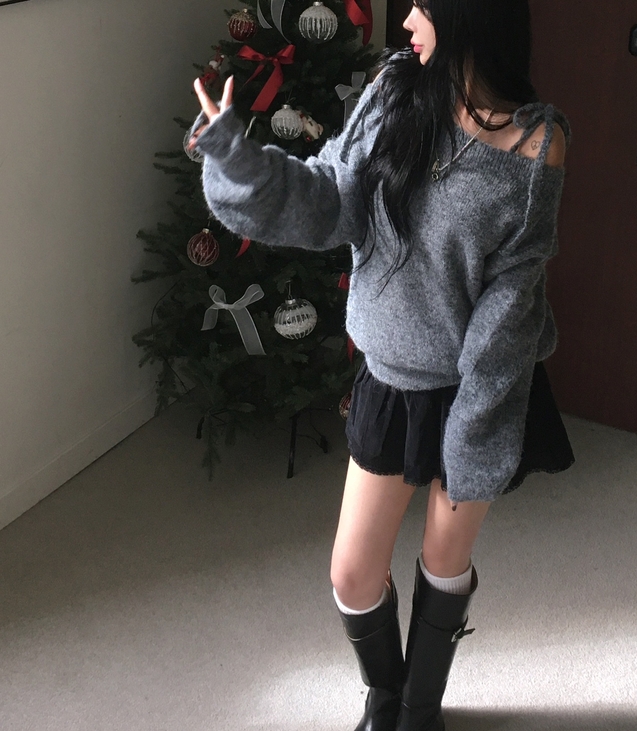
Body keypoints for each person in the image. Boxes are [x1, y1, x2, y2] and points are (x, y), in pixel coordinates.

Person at [189, 1, 575, 729]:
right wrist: (239, 160)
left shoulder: (537, 145)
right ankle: (386, 694)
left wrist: (474, 438)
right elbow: (328, 199)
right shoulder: (396, 89)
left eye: (423, 5)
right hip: (392, 380)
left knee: (444, 558)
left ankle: (419, 710)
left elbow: (509, 311)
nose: (407, 22)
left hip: (479, 388)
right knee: (352, 572)